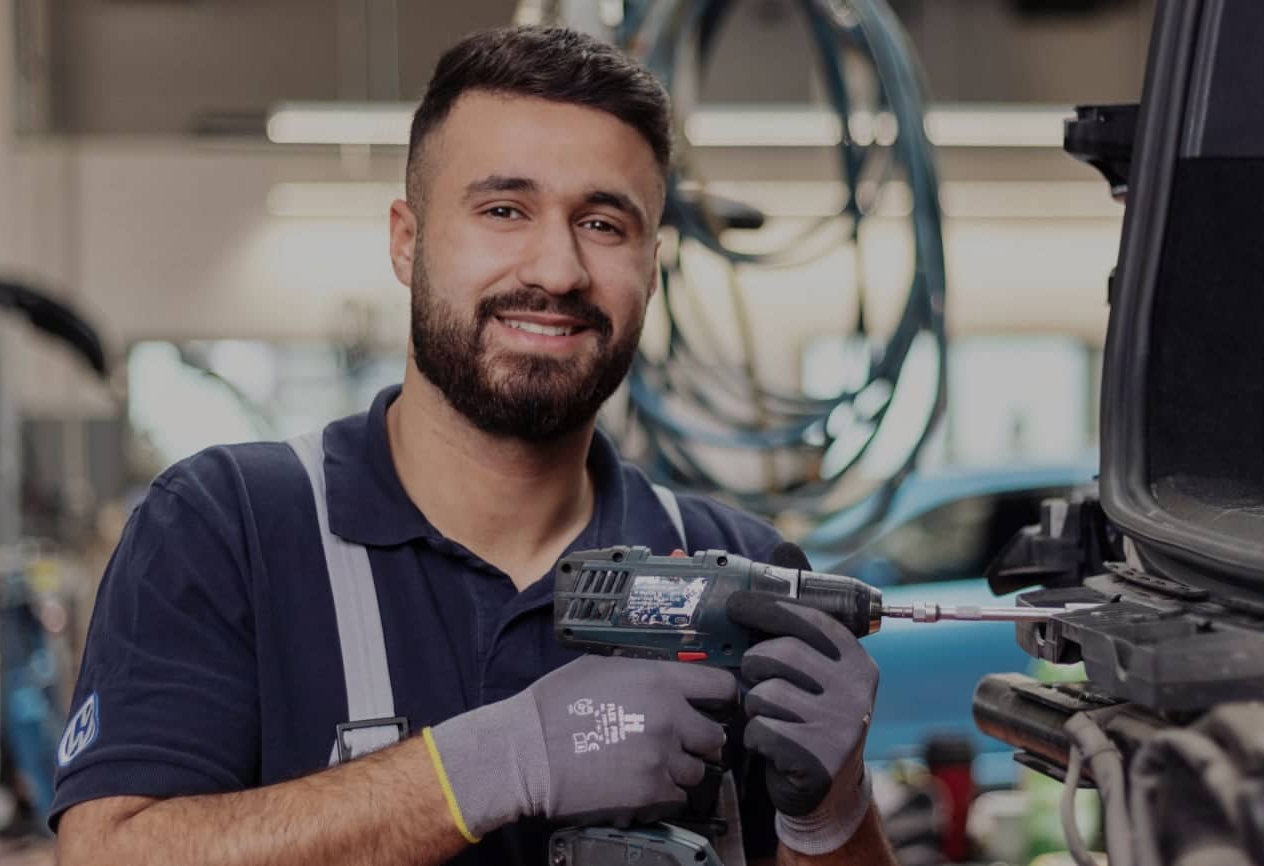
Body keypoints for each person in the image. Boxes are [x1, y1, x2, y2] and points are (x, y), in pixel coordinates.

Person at [49, 25, 896, 866]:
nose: (557, 270)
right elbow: (107, 854)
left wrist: (830, 819)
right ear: (406, 240)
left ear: (652, 265)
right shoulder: (226, 529)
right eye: (503, 211)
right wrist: (502, 758)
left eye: (604, 224)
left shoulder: (737, 576)